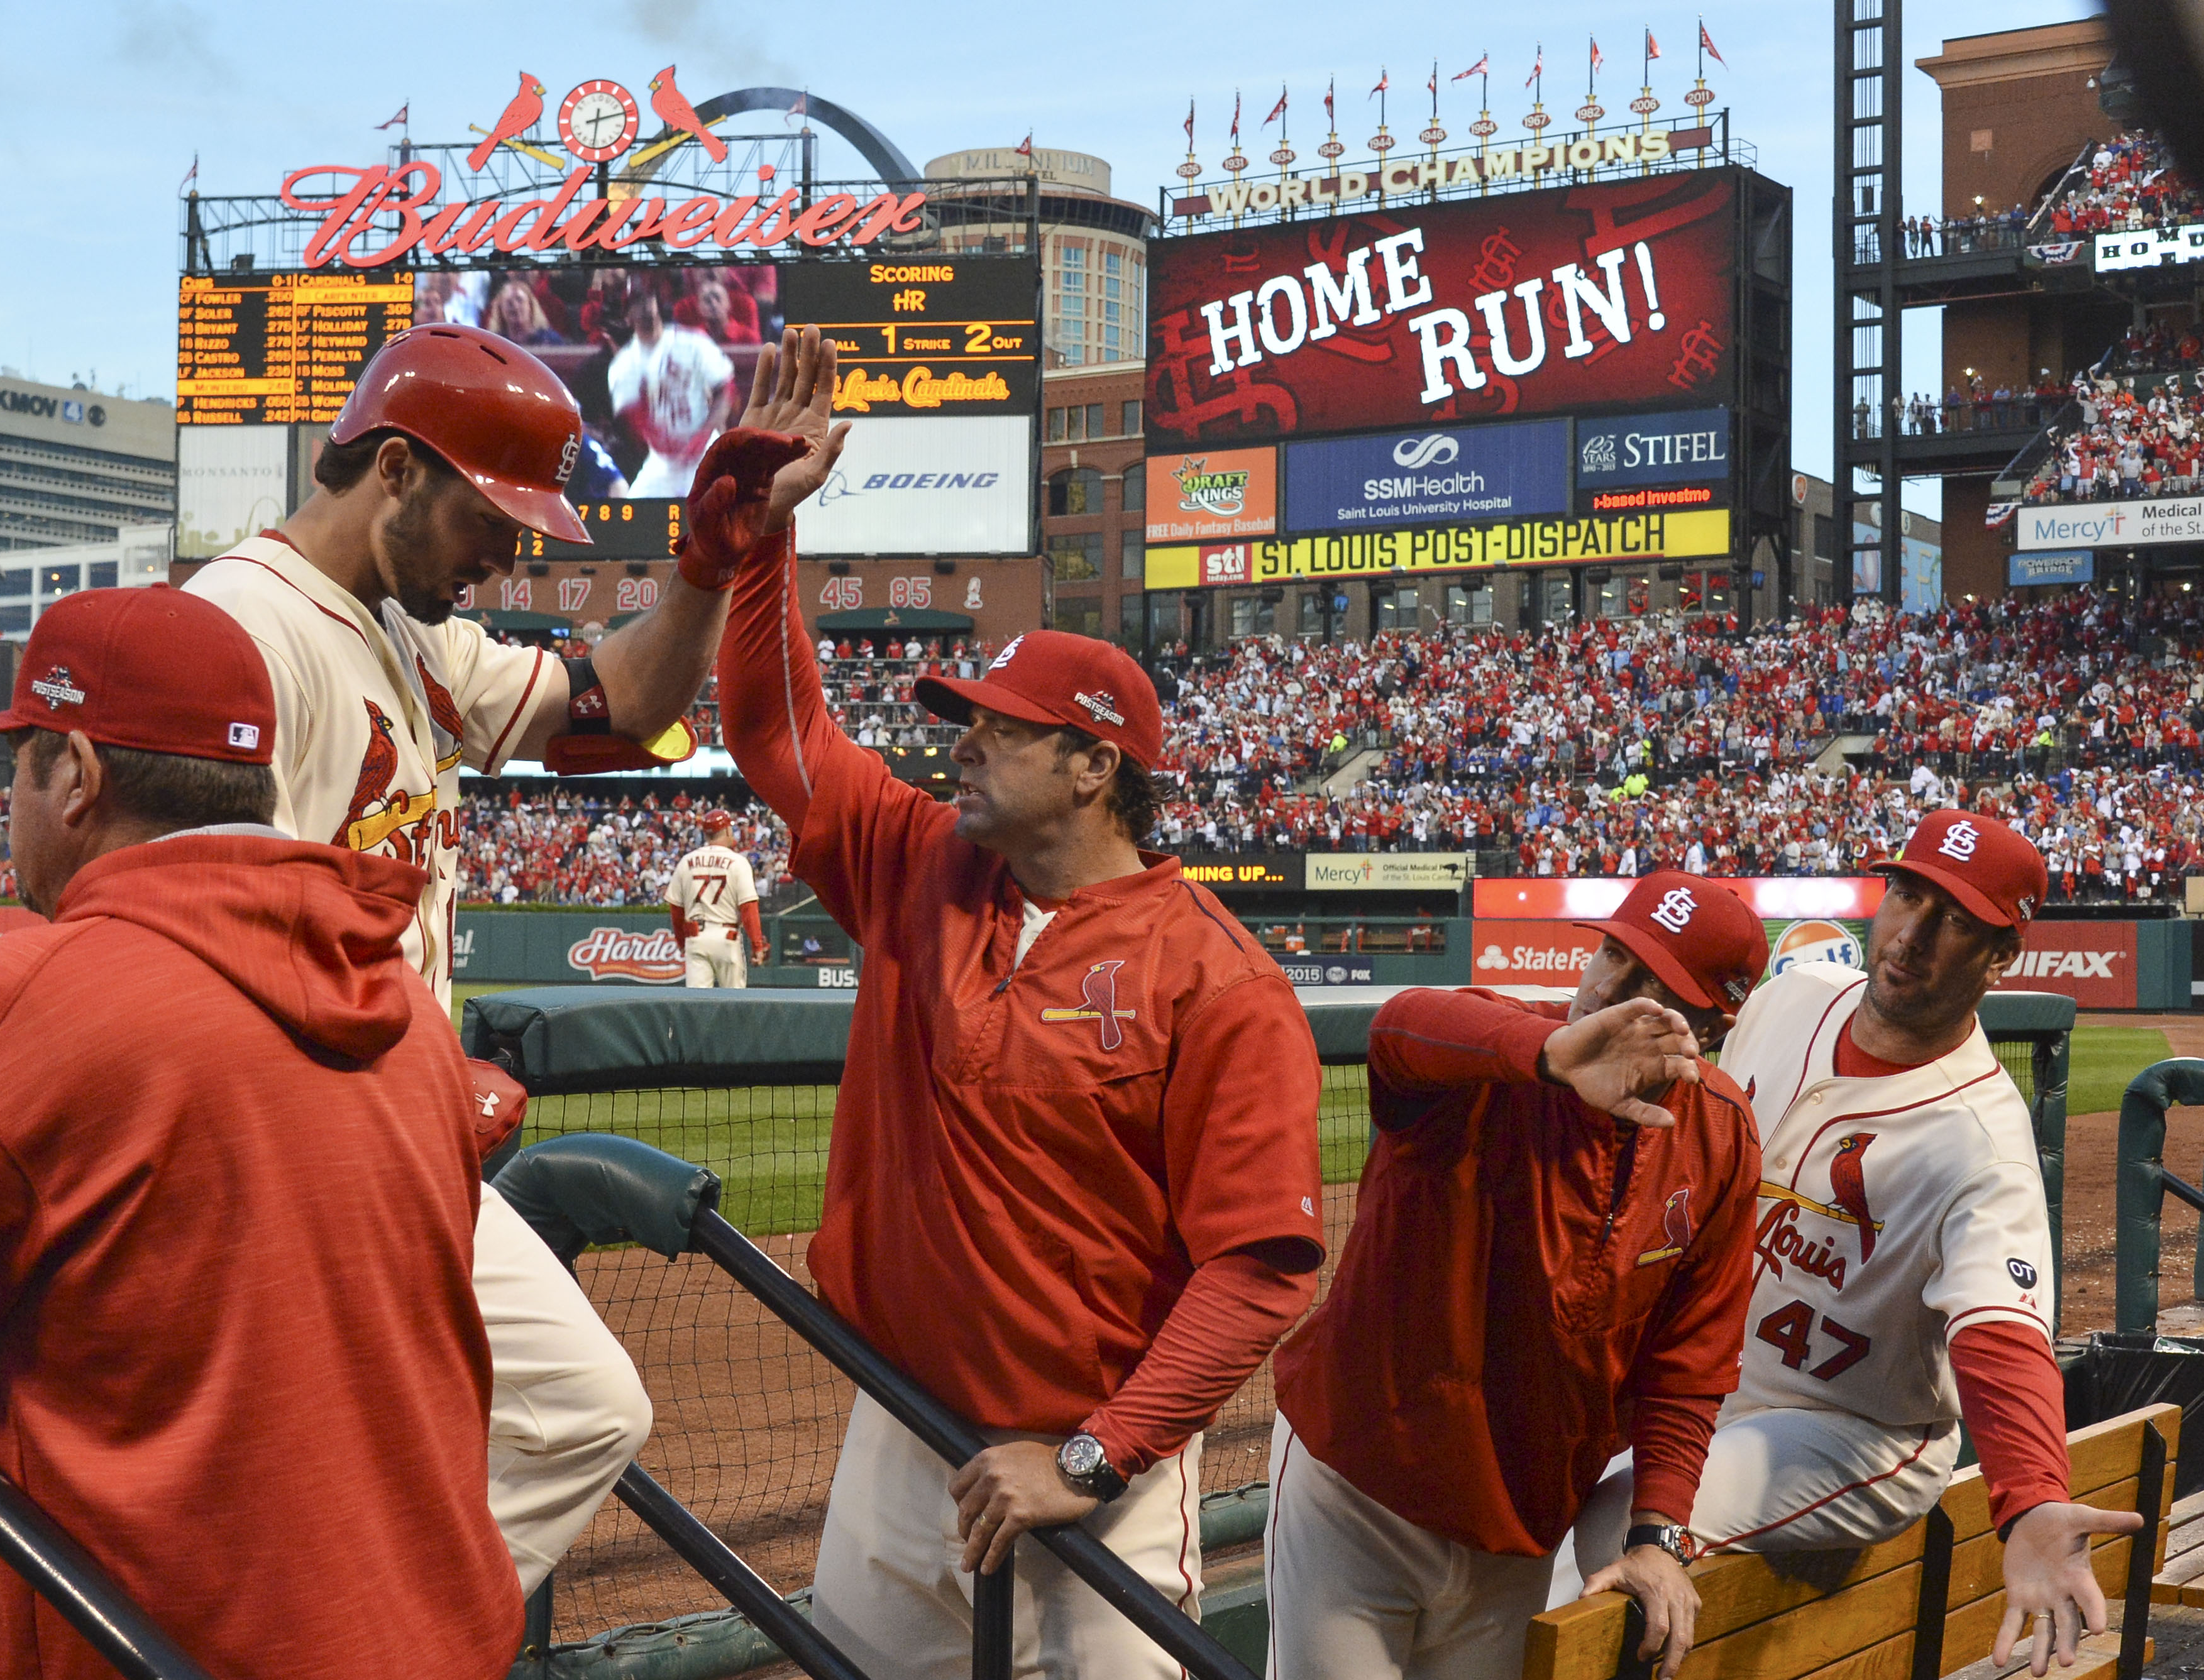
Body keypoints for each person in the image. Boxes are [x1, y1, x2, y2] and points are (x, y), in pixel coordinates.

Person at [0, 589, 526, 1680]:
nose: (12, 792)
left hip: (176, 1649)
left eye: (20, 762)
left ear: (74, 773)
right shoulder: (401, 1005)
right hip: (438, 1634)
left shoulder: (40, 995)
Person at [707, 325, 1327, 1679]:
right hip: (898, 1421)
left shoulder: (1217, 977)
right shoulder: (919, 858)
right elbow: (772, 729)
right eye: (963, 718)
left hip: (1090, 1456)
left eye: (996, 724)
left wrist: (1099, 1451)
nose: (959, 738)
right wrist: (764, 540)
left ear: (1093, 766)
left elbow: (1259, 1268)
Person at [187, 322, 702, 1594]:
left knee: (585, 1412)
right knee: (298, 1455)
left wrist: (718, 563)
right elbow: (198, 942)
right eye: (493, 515)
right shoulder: (242, 628)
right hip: (298, 1151)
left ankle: (372, 1631)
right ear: (400, 470)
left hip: (400, 1135)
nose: (510, 550)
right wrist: (387, 1077)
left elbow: (623, 705)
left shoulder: (413, 634)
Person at [1568, 811, 2139, 1679]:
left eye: (1953, 920)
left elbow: (2002, 1334)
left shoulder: (1981, 1142)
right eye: (1906, 893)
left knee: (1621, 1519)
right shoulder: (1786, 1002)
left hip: (1857, 1430)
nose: (1911, 933)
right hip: (1712, 1384)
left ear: (2001, 956)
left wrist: (2030, 1500)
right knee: (1536, 1469)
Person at [1267, 873, 1770, 1680]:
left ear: (1707, 1024)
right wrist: (1543, 1057)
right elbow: (1398, 1029)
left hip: (1518, 1522)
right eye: (1613, 953)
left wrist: (1656, 1532)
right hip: (1359, 1486)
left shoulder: (1720, 1139)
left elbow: (1689, 1364)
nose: (1610, 988)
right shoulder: (1491, 1064)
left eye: (1653, 986)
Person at [610, 283, 737, 496]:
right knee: (634, 507)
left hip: (706, 449)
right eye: (636, 303)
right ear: (627, 317)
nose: (645, 307)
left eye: (648, 299)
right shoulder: (624, 364)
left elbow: (726, 389)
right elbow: (633, 417)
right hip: (663, 461)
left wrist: (704, 434)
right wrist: (663, 442)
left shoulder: (692, 342)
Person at [664, 808, 768, 987]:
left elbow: (676, 911)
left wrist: (682, 942)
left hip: (696, 938)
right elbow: (748, 909)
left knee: (698, 1005)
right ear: (728, 830)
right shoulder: (738, 862)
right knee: (734, 1006)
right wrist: (757, 946)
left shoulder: (686, 861)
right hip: (727, 938)